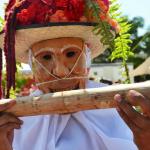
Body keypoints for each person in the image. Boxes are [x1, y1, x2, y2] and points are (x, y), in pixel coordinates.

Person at [0, 0, 150, 150]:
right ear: (32, 66)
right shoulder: (14, 124)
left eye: (71, 53)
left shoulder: (121, 110)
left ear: (87, 59)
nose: (61, 72)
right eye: (45, 57)